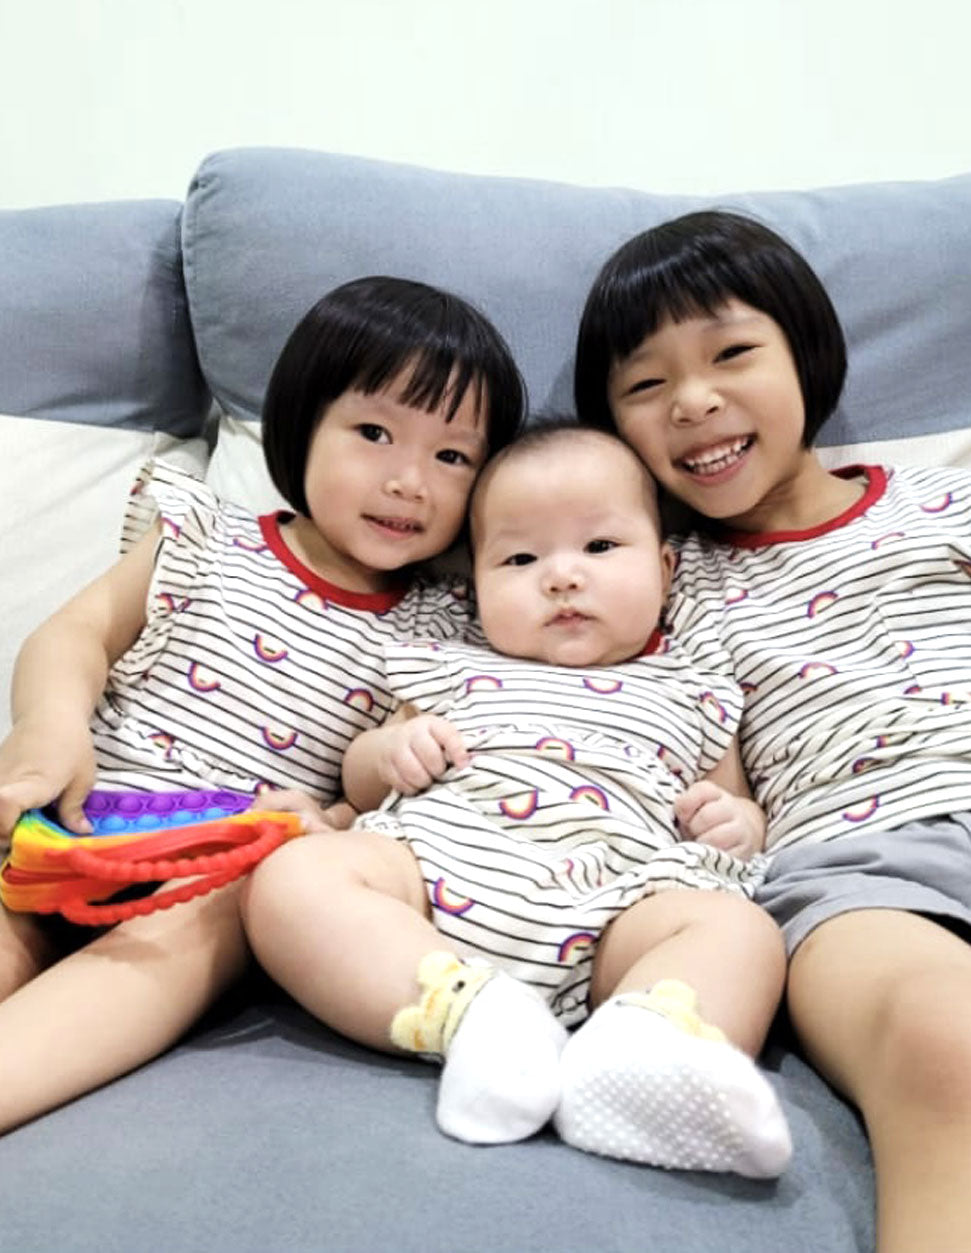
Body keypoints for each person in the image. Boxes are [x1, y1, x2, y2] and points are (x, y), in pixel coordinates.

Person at [0, 275, 524, 1133]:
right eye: (374, 433)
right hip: (66, 818)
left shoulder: (443, 631)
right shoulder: (205, 534)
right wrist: (48, 728)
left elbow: (397, 787)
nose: (408, 481)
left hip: (220, 871)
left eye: (452, 457)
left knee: (211, 916)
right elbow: (75, 635)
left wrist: (334, 823)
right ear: (302, 423)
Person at [240, 421, 791, 1178]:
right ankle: (472, 1018)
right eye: (520, 559)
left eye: (600, 546)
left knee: (739, 929)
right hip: (428, 886)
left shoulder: (695, 687)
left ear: (665, 568)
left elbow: (738, 808)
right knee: (293, 878)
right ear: (473, 588)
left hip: (617, 909)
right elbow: (359, 779)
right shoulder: (445, 664)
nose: (561, 577)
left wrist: (737, 822)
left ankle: (643, 1050)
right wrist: (391, 752)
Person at [574, 209, 971, 1252]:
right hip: (858, 874)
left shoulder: (945, 504)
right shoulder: (661, 584)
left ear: (806, 353)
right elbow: (705, 771)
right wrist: (727, 816)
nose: (692, 400)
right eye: (644, 384)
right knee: (944, 1036)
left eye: (731, 353)